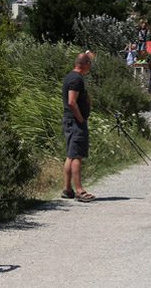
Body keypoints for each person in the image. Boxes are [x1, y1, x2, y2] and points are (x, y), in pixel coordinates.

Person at [62, 52, 96, 202]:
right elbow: (71, 102)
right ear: (85, 64)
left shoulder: (71, 76)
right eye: (90, 64)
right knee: (77, 156)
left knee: (70, 155)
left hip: (70, 121)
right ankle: (79, 191)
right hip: (75, 122)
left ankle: (67, 189)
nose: (91, 67)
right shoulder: (76, 79)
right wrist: (81, 119)